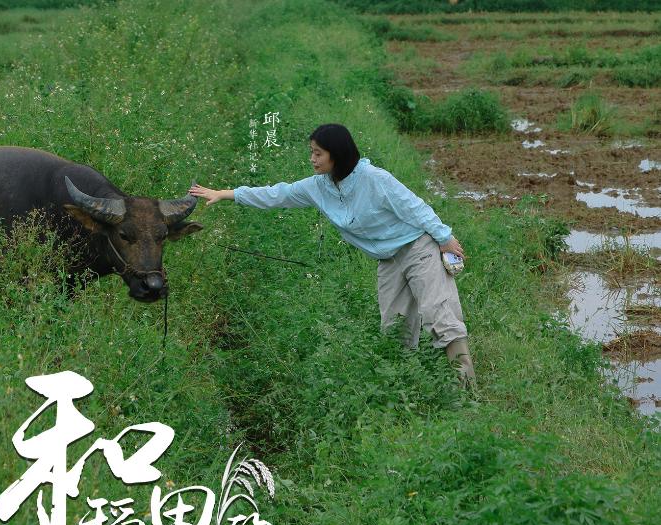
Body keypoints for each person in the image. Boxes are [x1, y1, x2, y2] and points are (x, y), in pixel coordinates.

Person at [189, 123, 475, 385]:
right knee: (394, 329)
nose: (312, 159)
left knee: (439, 313)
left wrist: (444, 238)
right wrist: (225, 194)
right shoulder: (318, 187)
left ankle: (466, 389)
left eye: (318, 153)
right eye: (311, 152)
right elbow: (277, 194)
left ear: (337, 154)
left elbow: (414, 207)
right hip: (388, 260)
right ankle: (405, 390)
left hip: (418, 247)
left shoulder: (374, 178)